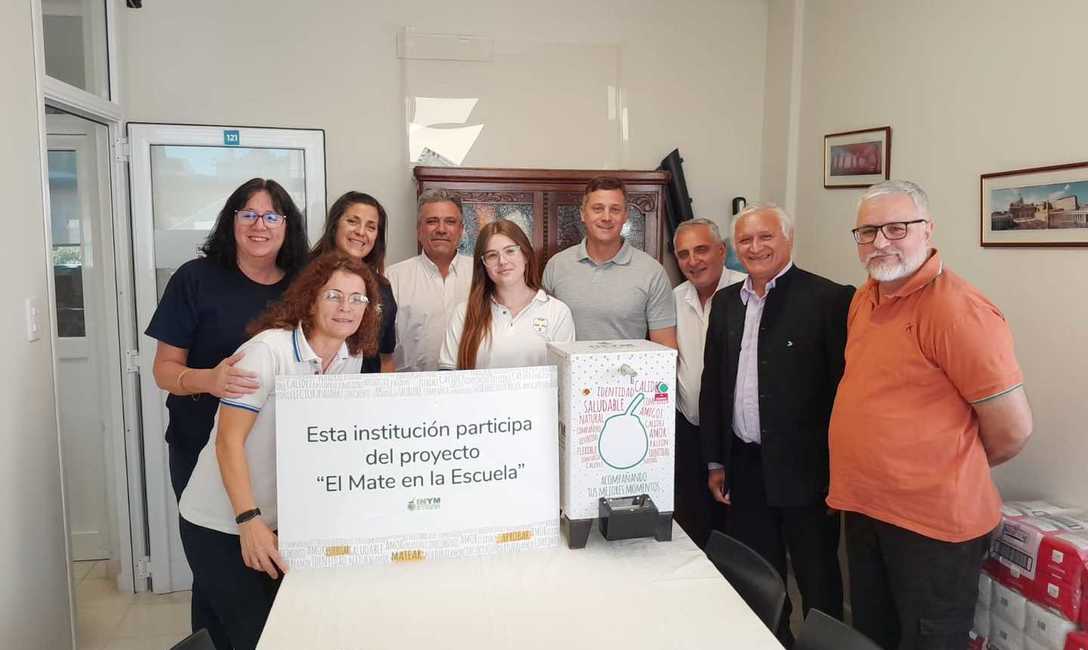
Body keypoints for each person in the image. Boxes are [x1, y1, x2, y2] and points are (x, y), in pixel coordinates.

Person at [829, 180, 1032, 650]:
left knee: (929, 641)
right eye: (867, 231)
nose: (880, 242)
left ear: (928, 230)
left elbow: (1012, 430)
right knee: (872, 634)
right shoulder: (866, 297)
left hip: (932, 526)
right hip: (866, 508)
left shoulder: (958, 311)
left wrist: (938, 467)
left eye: (896, 228)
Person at [178, 253, 382, 650]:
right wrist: (248, 520)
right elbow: (228, 441)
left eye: (357, 299)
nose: (346, 307)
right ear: (310, 299)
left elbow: (324, 442)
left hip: (278, 523)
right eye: (334, 295)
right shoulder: (267, 351)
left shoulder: (350, 357)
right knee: (256, 636)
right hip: (221, 521)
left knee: (235, 631)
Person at [700, 203, 853, 640]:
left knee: (817, 576)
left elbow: (844, 395)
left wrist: (840, 474)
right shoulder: (726, 302)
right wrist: (716, 461)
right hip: (745, 466)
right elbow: (714, 385)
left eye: (765, 237)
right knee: (757, 576)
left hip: (808, 472)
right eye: (745, 240)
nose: (755, 247)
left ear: (789, 239)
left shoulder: (828, 299)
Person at [146, 178, 309, 501]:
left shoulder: (305, 285)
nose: (259, 225)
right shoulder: (194, 279)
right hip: (201, 441)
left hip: (283, 448)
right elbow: (163, 370)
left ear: (287, 226)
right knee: (208, 533)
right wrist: (209, 380)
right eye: (248, 215)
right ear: (231, 221)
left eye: (272, 216)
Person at [671, 218, 746, 548]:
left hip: (736, 436)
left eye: (701, 250)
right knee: (692, 525)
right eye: (683, 254)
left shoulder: (747, 292)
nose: (693, 261)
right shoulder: (673, 299)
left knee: (736, 530)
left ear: (721, 250)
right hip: (689, 430)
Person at [542, 176, 676, 347]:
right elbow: (541, 334)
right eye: (598, 209)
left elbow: (665, 346)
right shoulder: (556, 266)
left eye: (615, 209)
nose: (606, 217)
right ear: (583, 214)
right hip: (565, 365)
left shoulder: (652, 272)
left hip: (628, 366)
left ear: (625, 215)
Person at [439, 220, 574, 370]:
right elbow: (447, 373)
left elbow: (565, 376)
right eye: (492, 255)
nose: (502, 261)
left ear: (525, 255)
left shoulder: (557, 312)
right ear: (483, 264)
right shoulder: (463, 313)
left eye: (510, 251)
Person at [387, 189, 473, 371]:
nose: (441, 229)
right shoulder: (393, 278)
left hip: (472, 384)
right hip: (410, 386)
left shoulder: (481, 274)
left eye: (450, 222)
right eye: (432, 221)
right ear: (419, 230)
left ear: (461, 230)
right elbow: (381, 348)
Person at [311, 191, 397, 373]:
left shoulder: (382, 288)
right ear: (334, 225)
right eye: (352, 221)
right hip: (310, 385)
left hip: (366, 388)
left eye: (371, 227)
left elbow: (386, 357)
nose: (361, 232)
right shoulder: (304, 276)